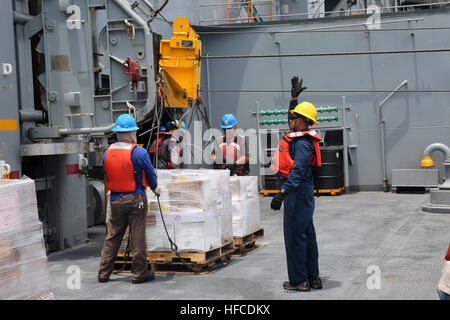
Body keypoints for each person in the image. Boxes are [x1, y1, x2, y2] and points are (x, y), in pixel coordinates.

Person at [98, 114, 161, 284]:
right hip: (136, 199)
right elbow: (150, 174)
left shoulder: (107, 153)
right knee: (137, 236)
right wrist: (156, 188)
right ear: (132, 133)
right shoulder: (138, 152)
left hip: (115, 200)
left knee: (113, 236)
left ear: (117, 133)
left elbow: (108, 174)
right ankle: (139, 273)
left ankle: (104, 272)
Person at [270, 102, 323, 292]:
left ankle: (299, 280)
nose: (290, 120)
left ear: (302, 121)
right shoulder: (301, 138)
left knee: (294, 237)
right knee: (307, 235)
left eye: (293, 117)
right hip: (304, 192)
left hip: (298, 193)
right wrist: (294, 99)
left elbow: (298, 171)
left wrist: (283, 193)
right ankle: (312, 277)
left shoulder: (301, 144)